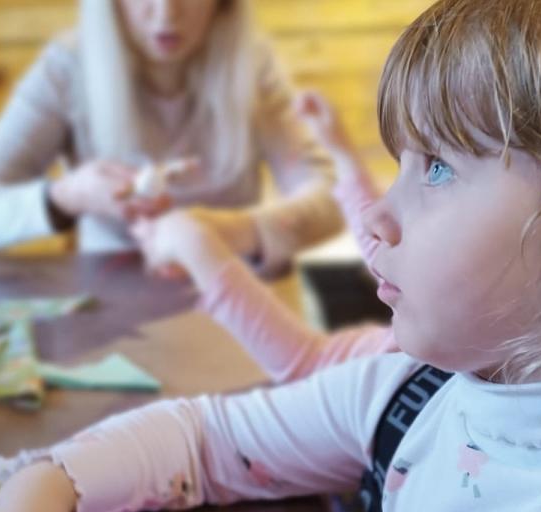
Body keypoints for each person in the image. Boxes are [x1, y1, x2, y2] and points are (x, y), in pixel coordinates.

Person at [0, 0, 541, 512]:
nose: (374, 216)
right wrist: (39, 488)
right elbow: (206, 438)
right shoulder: (410, 393)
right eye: (400, 163)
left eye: (437, 168)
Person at [0, 0, 342, 277]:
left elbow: (335, 196)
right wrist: (67, 196)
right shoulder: (67, 68)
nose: (166, 13)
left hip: (242, 303)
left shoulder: (253, 65)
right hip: (110, 309)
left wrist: (233, 231)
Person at [131, 90, 395, 384]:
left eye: (433, 170)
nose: (389, 212)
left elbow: (309, 360)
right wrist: (344, 155)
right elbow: (388, 258)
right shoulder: (419, 329)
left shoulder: (406, 360)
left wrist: (192, 241)